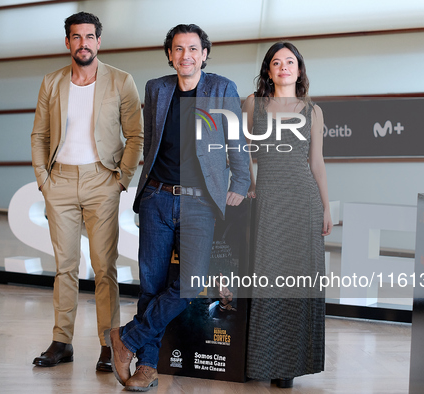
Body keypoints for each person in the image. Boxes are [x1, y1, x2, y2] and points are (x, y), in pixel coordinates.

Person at [104, 24, 250, 392]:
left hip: (200, 204)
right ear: (170, 54)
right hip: (157, 196)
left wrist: (241, 182)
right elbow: (150, 141)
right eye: (178, 49)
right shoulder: (157, 88)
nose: (186, 55)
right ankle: (147, 366)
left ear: (204, 54)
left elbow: (237, 143)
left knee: (191, 282)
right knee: (151, 284)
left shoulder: (222, 88)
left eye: (193, 48)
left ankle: (127, 338)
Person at [30, 12, 143, 372]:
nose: (83, 43)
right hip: (59, 181)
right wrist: (44, 182)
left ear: (99, 41)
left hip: (102, 182)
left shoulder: (121, 81)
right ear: (68, 42)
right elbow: (39, 136)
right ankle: (61, 342)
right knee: (64, 267)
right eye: (76, 37)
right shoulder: (52, 82)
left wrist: (121, 179)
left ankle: (109, 344)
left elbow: (136, 136)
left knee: (104, 267)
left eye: (89, 37)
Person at [243, 42, 332, 389]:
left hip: (303, 202)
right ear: (268, 70)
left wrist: (325, 206)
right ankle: (260, 359)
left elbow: (317, 163)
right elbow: (240, 152)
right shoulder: (253, 104)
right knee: (265, 280)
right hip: (267, 203)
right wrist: (249, 185)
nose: (283, 67)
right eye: (276, 62)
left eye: (290, 61)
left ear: (299, 69)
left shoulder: (313, 111)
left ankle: (288, 365)